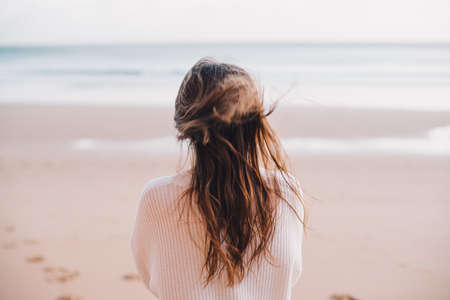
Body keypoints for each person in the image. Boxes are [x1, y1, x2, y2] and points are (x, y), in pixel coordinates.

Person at [130, 57, 306, 300]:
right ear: (254, 122)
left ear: (185, 127)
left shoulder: (157, 197)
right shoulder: (286, 191)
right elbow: (291, 274)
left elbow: (150, 276)